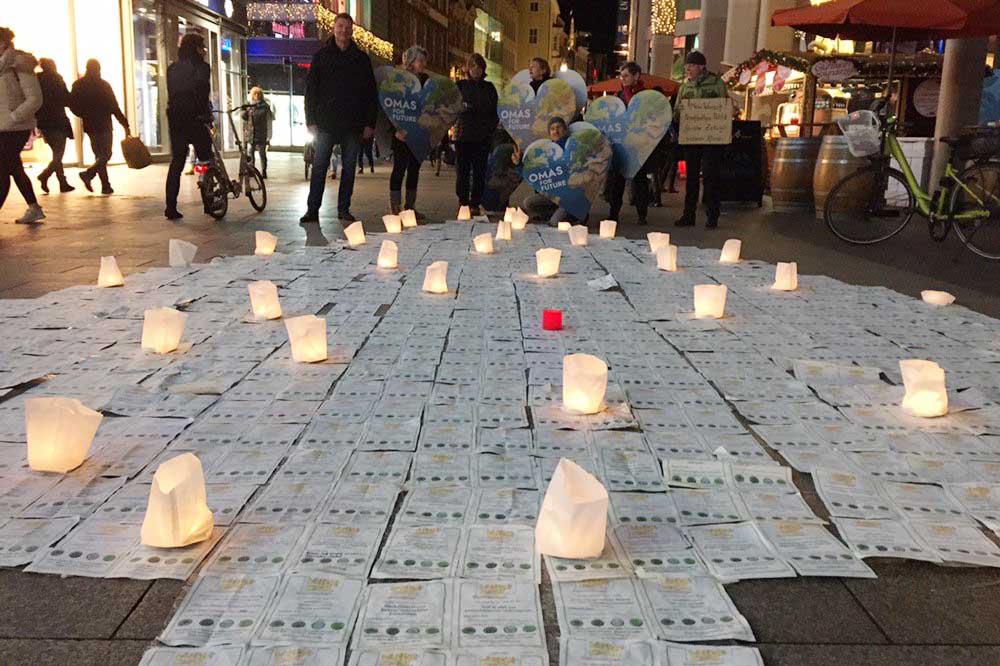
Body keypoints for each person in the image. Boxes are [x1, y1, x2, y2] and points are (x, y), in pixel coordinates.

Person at [301, 12, 378, 223]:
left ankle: (344, 208)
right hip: (326, 123)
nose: (343, 30)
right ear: (334, 29)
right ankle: (312, 209)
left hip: (353, 124)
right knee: (319, 167)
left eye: (347, 27)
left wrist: (369, 123)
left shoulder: (361, 59)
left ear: (352, 31)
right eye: (340, 26)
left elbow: (371, 94)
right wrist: (311, 121)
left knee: (349, 168)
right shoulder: (321, 57)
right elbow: (311, 91)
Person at [673, 50, 728, 229]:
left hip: (712, 139)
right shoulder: (685, 87)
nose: (688, 68)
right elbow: (677, 111)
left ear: (702, 66)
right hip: (692, 137)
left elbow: (724, 107)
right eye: (687, 65)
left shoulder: (717, 84)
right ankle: (688, 215)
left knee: (711, 177)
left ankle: (712, 215)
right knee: (691, 178)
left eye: (692, 65)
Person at [164, 33, 213, 220]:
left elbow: (173, 94)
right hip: (195, 118)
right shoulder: (201, 67)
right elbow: (202, 91)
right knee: (205, 160)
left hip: (176, 118)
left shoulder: (172, 69)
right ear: (197, 49)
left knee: (177, 162)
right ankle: (208, 201)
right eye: (203, 48)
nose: (204, 51)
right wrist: (206, 114)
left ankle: (170, 206)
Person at [606, 61, 660, 226]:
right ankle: (613, 214)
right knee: (617, 181)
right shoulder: (619, 97)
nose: (623, 79)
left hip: (639, 147)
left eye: (626, 75)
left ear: (636, 76)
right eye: (621, 76)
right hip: (621, 146)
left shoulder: (646, 97)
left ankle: (642, 214)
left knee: (640, 181)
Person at [0, 26, 44, 224]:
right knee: (14, 167)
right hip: (2, 127)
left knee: (3, 169)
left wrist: (14, 116)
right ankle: (34, 207)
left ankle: (34, 208)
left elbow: (35, 98)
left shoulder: (20, 64)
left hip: (16, 127)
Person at [69, 59, 129, 195]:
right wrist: (124, 124)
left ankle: (105, 185)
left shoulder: (79, 85)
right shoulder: (103, 85)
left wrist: (83, 114)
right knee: (106, 154)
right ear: (98, 69)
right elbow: (114, 106)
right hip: (104, 123)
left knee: (99, 155)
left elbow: (72, 104)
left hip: (90, 124)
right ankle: (89, 174)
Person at [388, 46, 429, 217]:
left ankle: (410, 208)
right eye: (420, 61)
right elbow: (390, 106)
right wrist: (396, 130)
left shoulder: (426, 80)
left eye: (424, 61)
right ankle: (395, 208)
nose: (423, 64)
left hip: (418, 132)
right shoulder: (398, 80)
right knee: (399, 168)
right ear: (411, 62)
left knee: (414, 169)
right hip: (401, 133)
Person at [454, 53, 498, 217]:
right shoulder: (461, 86)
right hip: (464, 135)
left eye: (479, 67)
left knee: (480, 171)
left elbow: (494, 111)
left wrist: (490, 129)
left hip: (482, 136)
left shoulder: (489, 88)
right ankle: (462, 201)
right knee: (463, 171)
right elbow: (453, 107)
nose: (476, 70)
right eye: (473, 67)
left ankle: (475, 202)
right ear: (468, 68)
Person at [517, 116, 577, 226]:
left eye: (558, 128)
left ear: (564, 130)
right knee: (529, 203)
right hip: (552, 194)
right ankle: (554, 214)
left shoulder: (570, 147)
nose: (556, 131)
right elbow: (533, 174)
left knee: (555, 223)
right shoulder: (546, 150)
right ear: (549, 133)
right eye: (552, 129)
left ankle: (574, 215)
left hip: (567, 196)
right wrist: (518, 164)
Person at [35, 58, 74, 194]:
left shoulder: (37, 79)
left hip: (44, 121)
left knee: (56, 153)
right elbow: (66, 98)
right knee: (59, 153)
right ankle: (45, 175)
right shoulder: (56, 79)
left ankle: (62, 182)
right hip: (57, 120)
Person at [242, 86, 273, 179]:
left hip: (261, 134)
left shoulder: (265, 107)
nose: (256, 95)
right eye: (255, 94)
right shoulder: (250, 106)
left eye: (258, 94)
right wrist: (245, 111)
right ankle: (252, 170)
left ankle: (264, 170)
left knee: (262, 154)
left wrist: (269, 135)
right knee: (250, 153)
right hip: (251, 134)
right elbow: (244, 117)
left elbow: (269, 121)